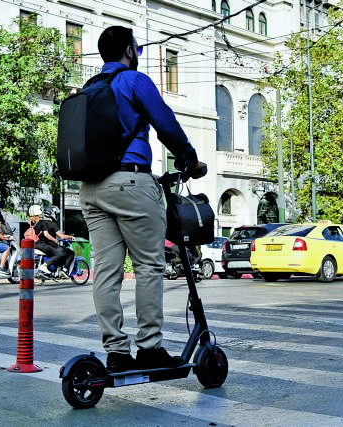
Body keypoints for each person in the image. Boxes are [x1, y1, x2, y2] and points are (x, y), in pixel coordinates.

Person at [79, 26, 208, 373]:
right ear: (128, 51)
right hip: (130, 181)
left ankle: (117, 353)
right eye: (135, 47)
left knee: (106, 273)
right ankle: (150, 347)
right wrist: (190, 160)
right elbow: (165, 123)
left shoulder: (88, 88)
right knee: (149, 265)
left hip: (91, 189)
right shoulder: (134, 81)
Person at [28, 205, 64, 276]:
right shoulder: (43, 222)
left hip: (33, 244)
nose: (42, 215)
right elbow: (46, 234)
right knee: (58, 253)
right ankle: (44, 266)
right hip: (41, 244)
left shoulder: (31, 223)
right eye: (41, 214)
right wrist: (54, 240)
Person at [42, 206, 75, 279]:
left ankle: (56, 271)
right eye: (55, 213)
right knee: (70, 253)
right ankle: (64, 270)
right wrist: (70, 237)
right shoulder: (52, 224)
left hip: (42, 246)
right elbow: (61, 236)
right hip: (51, 246)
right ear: (52, 214)